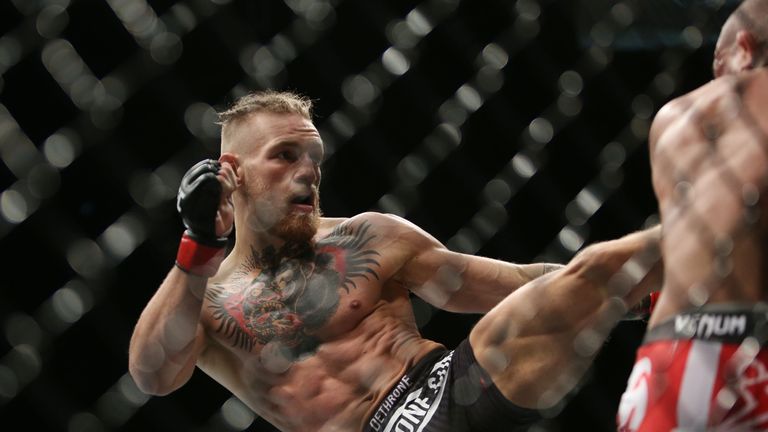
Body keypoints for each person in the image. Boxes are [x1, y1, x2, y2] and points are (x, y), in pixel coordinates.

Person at [129, 90, 662, 432]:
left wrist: (629, 299)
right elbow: (153, 374)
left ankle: (693, 243)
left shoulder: (368, 236)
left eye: (314, 158)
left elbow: (512, 284)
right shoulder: (205, 298)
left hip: (453, 387)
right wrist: (199, 247)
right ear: (232, 171)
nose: (308, 172)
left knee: (590, 273)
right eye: (285, 156)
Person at [617, 1, 768, 430]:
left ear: (744, 48)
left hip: (680, 356)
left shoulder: (677, 118)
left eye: (718, 66)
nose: (716, 84)